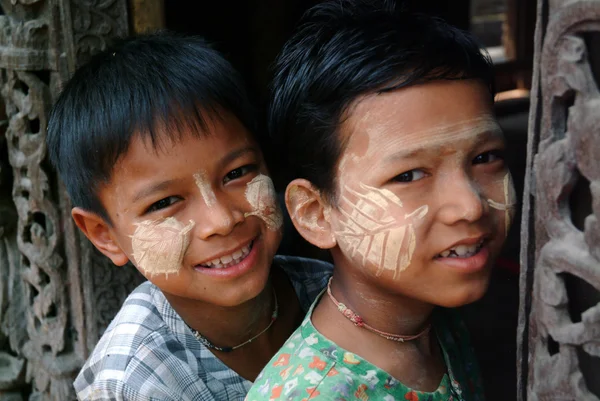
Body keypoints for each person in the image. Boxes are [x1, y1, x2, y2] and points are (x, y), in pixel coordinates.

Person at [246, 1, 516, 400]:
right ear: (316, 214)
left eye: (484, 157)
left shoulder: (432, 318)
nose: (470, 206)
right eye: (408, 175)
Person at [46, 32, 332, 400]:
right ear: (105, 235)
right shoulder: (134, 381)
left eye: (237, 173)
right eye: (164, 203)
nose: (222, 220)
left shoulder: (332, 293)